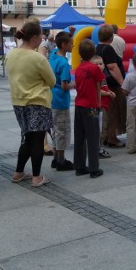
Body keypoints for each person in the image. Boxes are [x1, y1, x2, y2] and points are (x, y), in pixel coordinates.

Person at [5, 21, 56, 187]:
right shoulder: (37, 57)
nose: (42, 38)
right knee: (38, 140)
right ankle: (36, 176)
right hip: (37, 102)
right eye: (41, 35)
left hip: (18, 102)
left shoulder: (11, 54)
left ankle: (18, 172)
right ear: (34, 37)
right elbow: (52, 81)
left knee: (27, 138)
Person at [73, 39, 105, 178]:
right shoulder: (94, 69)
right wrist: (98, 104)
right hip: (91, 106)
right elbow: (99, 86)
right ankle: (94, 168)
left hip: (79, 105)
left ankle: (79, 166)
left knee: (79, 137)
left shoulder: (78, 68)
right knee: (93, 137)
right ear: (93, 53)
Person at [96, 24, 127, 148]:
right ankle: (112, 138)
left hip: (104, 84)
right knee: (115, 111)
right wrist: (122, 84)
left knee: (109, 111)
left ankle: (108, 136)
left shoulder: (97, 48)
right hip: (113, 85)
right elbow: (113, 67)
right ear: (111, 37)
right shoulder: (107, 49)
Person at [49, 31, 75, 171]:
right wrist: (75, 84)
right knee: (62, 130)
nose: (73, 45)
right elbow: (65, 86)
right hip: (61, 100)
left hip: (52, 97)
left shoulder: (53, 56)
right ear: (64, 45)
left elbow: (56, 43)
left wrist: (70, 33)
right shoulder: (64, 63)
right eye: (71, 43)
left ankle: (55, 158)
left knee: (55, 130)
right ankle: (61, 161)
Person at [90, 55, 115, 158]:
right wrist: (108, 94)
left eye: (101, 64)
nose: (99, 66)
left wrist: (109, 91)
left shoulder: (102, 76)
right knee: (100, 128)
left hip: (104, 105)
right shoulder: (94, 76)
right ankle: (97, 149)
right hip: (98, 106)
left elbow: (104, 88)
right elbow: (96, 90)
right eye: (96, 64)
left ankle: (97, 147)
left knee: (102, 128)